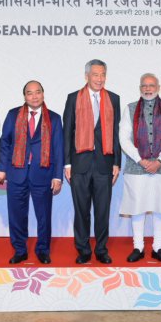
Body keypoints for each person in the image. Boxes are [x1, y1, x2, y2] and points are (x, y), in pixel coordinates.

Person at [0, 80, 64, 265]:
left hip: (43, 174)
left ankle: (42, 250)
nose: (34, 96)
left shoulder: (54, 118)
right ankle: (20, 250)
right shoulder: (13, 115)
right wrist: (1, 168)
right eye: (29, 93)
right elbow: (5, 143)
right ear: (24, 96)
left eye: (37, 92)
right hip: (16, 173)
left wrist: (58, 176)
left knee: (44, 215)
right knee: (17, 214)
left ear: (43, 94)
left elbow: (58, 149)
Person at [119, 73, 161, 263]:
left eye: (151, 85)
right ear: (140, 88)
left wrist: (160, 161)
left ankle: (158, 247)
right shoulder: (130, 109)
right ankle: (138, 247)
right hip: (136, 167)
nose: (148, 89)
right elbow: (124, 138)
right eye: (144, 86)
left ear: (158, 87)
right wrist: (141, 160)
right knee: (137, 207)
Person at [63, 59, 121, 264]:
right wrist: (67, 163)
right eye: (95, 74)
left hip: (104, 164)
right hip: (79, 164)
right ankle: (83, 249)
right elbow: (67, 132)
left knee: (103, 211)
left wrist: (116, 163)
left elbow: (116, 134)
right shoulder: (73, 98)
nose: (99, 78)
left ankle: (102, 249)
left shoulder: (113, 99)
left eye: (103, 74)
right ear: (86, 75)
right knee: (81, 211)